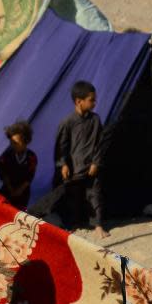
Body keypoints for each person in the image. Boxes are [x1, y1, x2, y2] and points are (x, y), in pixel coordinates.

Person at [54, 80, 107, 239]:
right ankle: (74, 224)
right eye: (91, 100)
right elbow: (60, 147)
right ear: (79, 101)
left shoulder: (95, 120)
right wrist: (63, 164)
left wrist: (96, 163)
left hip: (91, 167)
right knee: (73, 197)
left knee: (95, 195)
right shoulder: (67, 122)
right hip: (74, 169)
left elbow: (100, 144)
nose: (94, 103)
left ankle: (97, 225)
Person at [0, 121, 37, 211]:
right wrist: (10, 188)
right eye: (11, 143)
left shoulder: (31, 157)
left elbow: (30, 177)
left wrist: (19, 190)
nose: (13, 145)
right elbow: (3, 172)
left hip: (23, 194)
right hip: (7, 191)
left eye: (16, 143)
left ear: (25, 141)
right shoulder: (6, 156)